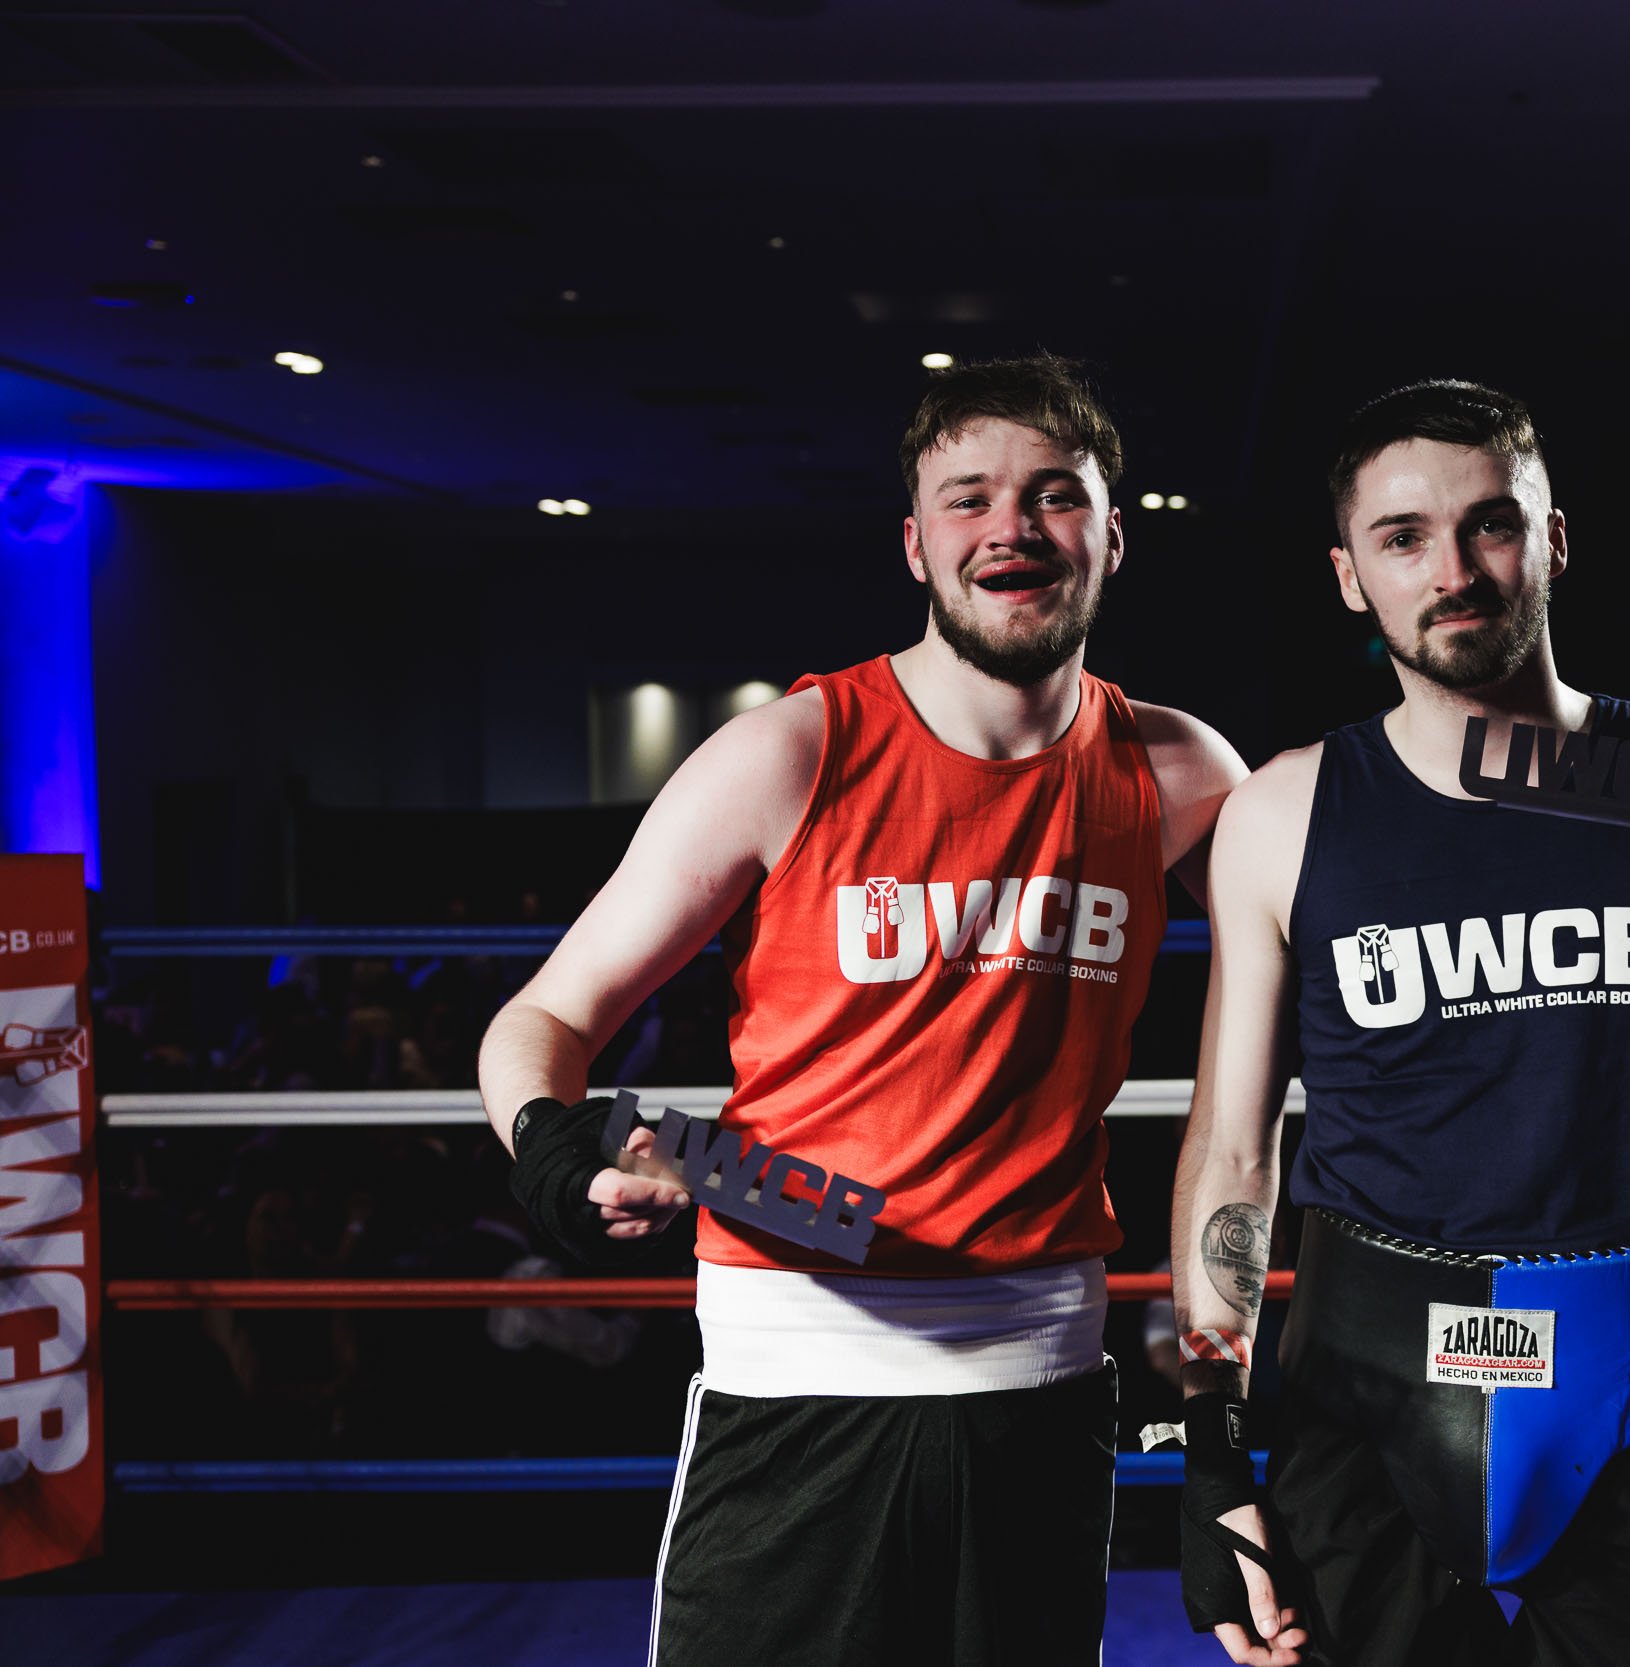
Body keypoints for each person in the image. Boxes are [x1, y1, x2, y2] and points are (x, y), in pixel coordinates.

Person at [475, 355, 1247, 1667]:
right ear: (916, 541)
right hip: (799, 1366)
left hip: (1041, 1379)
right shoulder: (792, 750)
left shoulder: (1175, 770)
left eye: (1056, 494)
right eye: (970, 497)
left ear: (1113, 536)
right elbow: (542, 1015)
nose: (1011, 525)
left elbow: (1342, 951)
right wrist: (561, 1160)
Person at [1161, 380, 1630, 1666]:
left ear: (1552, 538)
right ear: (1348, 576)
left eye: (1489, 524)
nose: (1452, 570)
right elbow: (1230, 1149)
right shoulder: (1286, 812)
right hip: (1359, 1408)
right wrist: (1210, 1447)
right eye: (1401, 537)